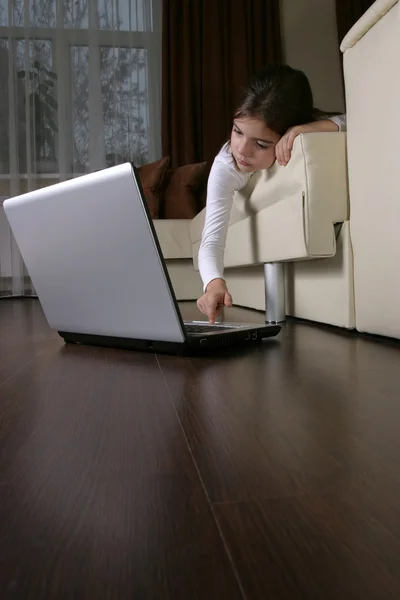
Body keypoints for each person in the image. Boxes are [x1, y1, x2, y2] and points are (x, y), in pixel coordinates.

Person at [196, 64, 346, 324]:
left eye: (261, 144)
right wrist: (213, 282)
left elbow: (354, 118)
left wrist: (310, 129)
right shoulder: (226, 166)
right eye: (237, 131)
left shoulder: (303, 127)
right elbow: (211, 241)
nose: (242, 150)